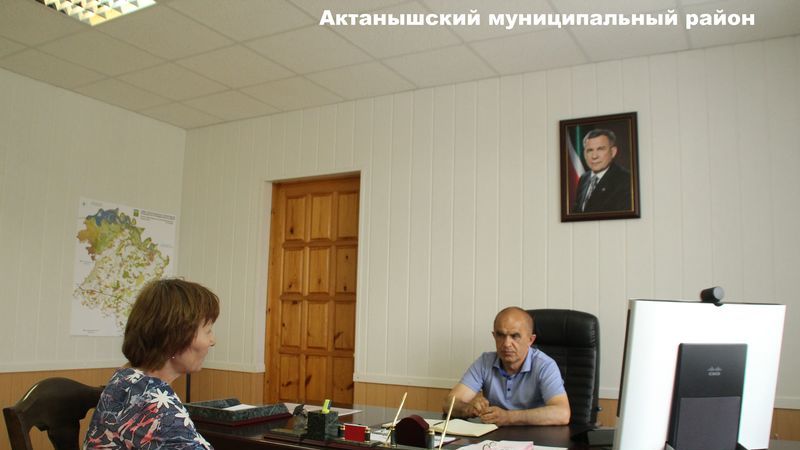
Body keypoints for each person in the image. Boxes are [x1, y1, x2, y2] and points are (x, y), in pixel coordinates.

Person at [84, 279, 220, 450]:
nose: (212, 341)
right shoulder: (157, 408)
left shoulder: (126, 378)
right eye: (208, 331)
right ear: (175, 339)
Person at [444, 307, 570, 426]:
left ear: (530, 340)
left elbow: (562, 413)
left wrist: (509, 417)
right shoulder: (485, 362)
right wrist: (468, 408)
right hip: (494, 436)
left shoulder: (545, 366)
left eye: (515, 336)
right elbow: (448, 403)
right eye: (500, 335)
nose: (506, 344)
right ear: (494, 336)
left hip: (535, 437)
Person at [572, 128, 632, 213]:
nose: (594, 156)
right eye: (589, 150)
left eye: (600, 149)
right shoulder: (584, 178)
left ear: (613, 152)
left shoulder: (626, 180)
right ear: (584, 154)